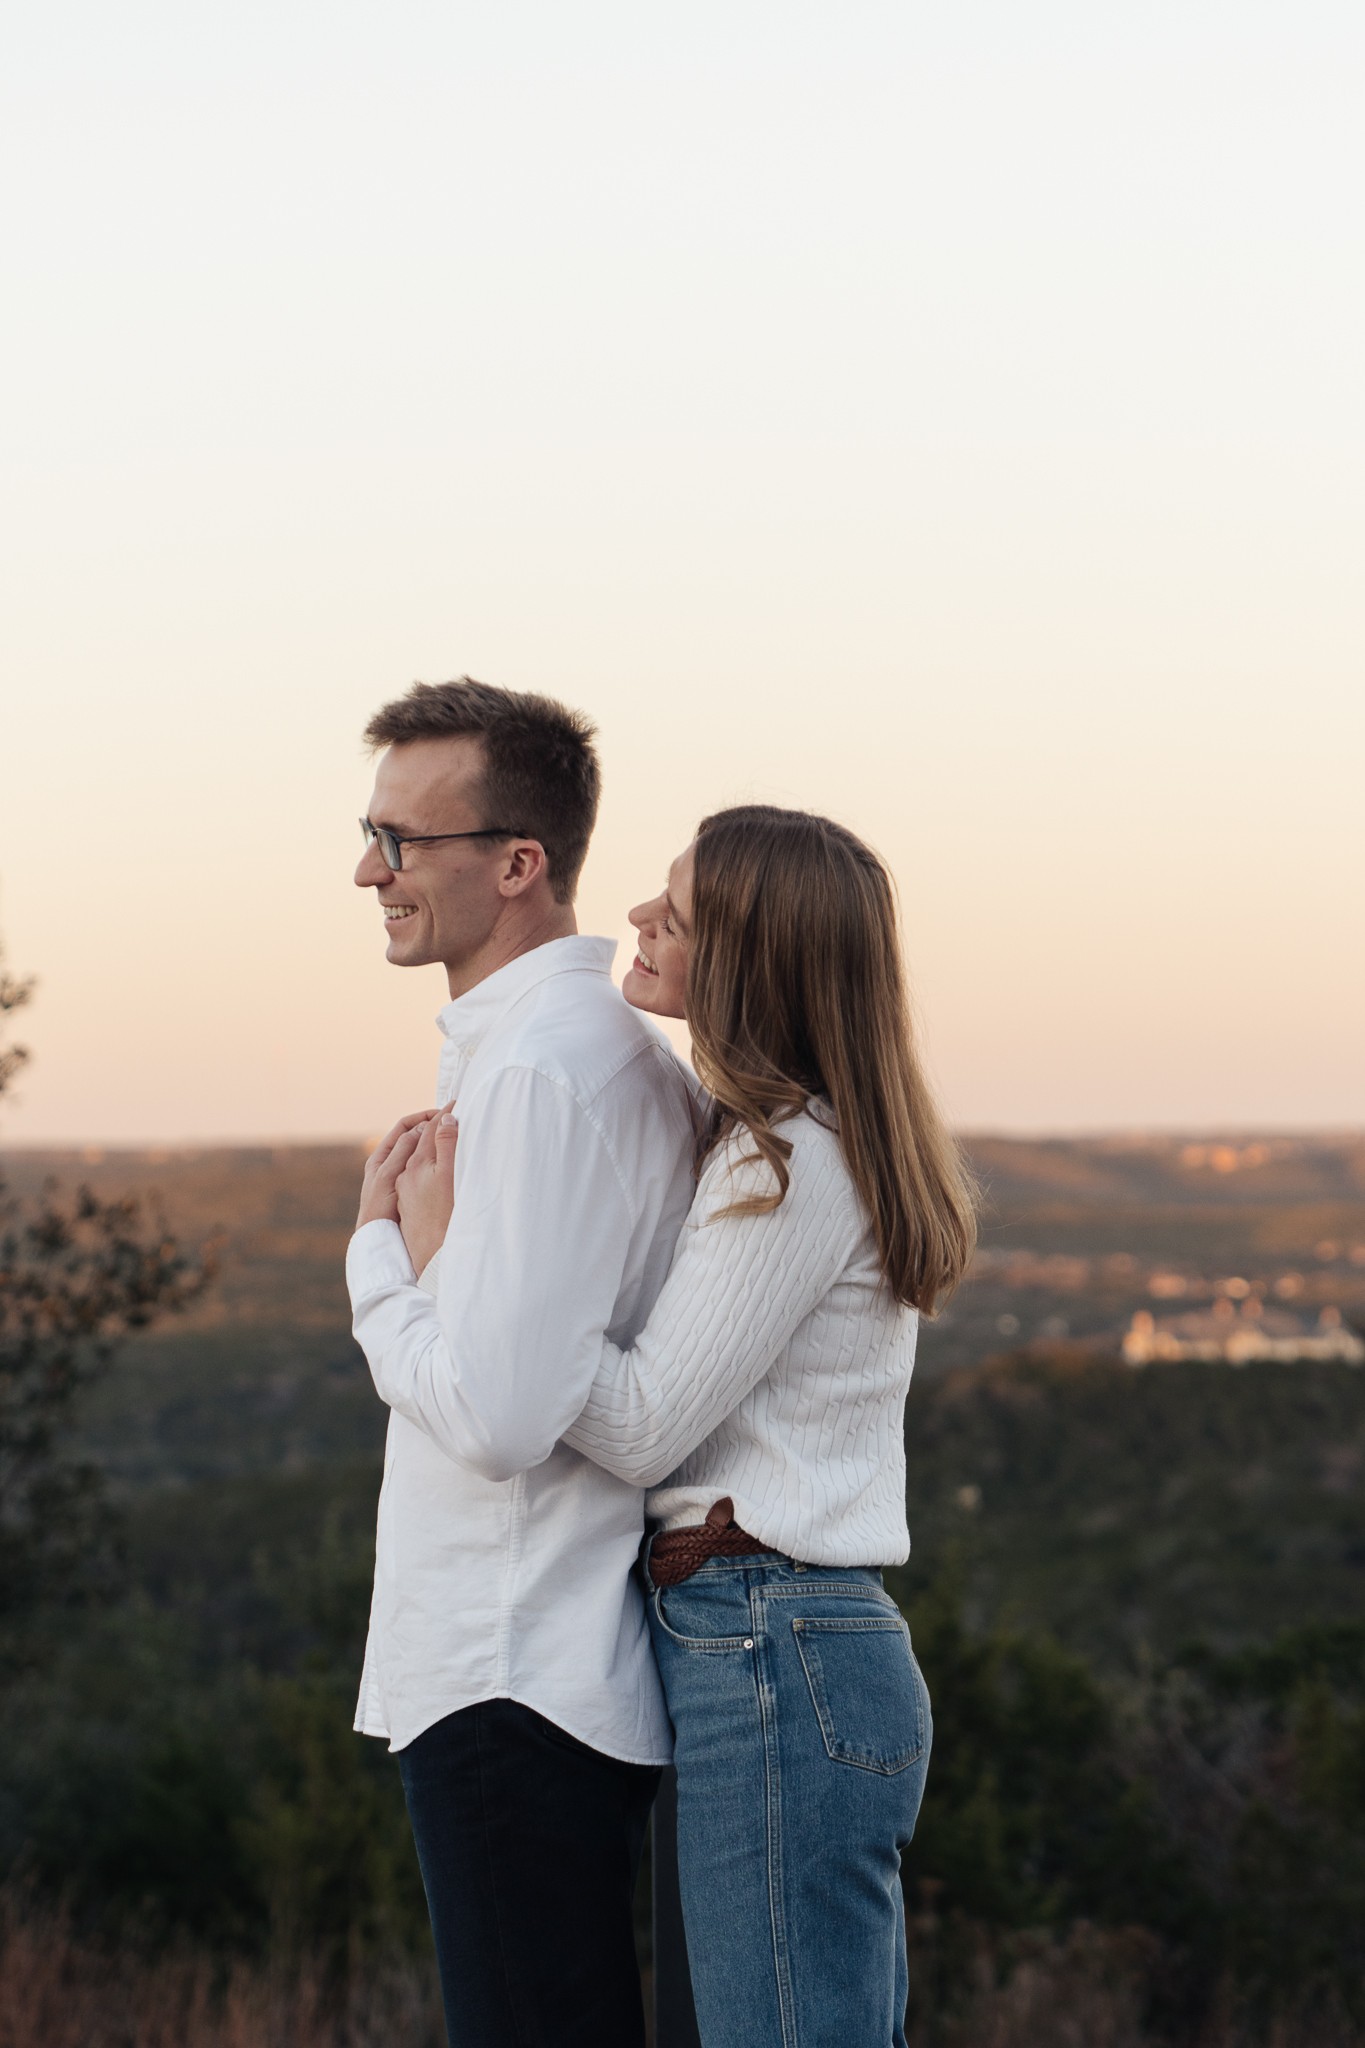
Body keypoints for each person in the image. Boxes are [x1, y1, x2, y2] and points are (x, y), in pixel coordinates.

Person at [393, 803, 977, 2048]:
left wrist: (457, 1275)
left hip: (772, 1639)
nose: (641, 918)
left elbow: (648, 1422)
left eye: (683, 909)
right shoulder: (762, 1145)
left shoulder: (794, 1163)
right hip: (756, 1636)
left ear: (753, 959)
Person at [346, 677, 697, 2048]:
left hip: (510, 1671)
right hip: (520, 1669)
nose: (367, 870)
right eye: (369, 833)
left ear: (517, 863)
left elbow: (497, 1418)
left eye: (401, 842)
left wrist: (378, 1256)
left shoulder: (549, 1071)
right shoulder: (554, 1055)